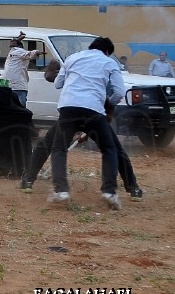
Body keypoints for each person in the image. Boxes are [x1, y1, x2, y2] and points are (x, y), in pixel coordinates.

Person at [20, 58, 143, 200]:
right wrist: (91, 129)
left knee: (48, 144)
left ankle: (29, 181)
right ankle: (133, 189)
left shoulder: (76, 68)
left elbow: (54, 81)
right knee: (114, 148)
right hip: (94, 114)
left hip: (71, 111)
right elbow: (110, 103)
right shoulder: (105, 71)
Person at [48, 36, 125, 209]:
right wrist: (109, 102)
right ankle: (109, 192)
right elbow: (120, 92)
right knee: (109, 148)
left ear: (91, 47)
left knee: (59, 148)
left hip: (68, 107)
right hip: (93, 109)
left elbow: (58, 84)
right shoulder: (109, 62)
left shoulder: (72, 58)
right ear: (107, 52)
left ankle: (61, 191)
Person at [3, 31, 44, 107]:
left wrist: (19, 39)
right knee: (20, 108)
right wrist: (38, 52)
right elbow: (30, 54)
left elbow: (15, 44)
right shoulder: (19, 51)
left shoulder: (12, 52)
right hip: (18, 85)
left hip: (8, 84)